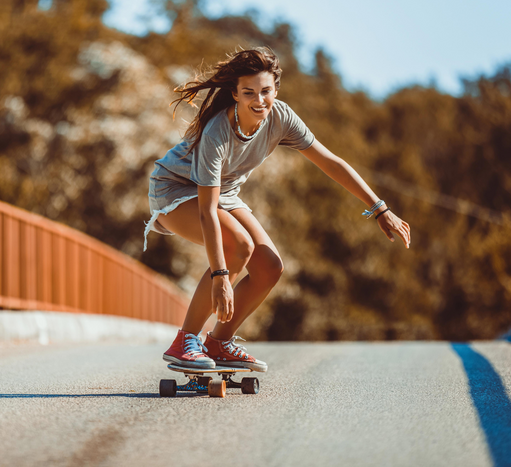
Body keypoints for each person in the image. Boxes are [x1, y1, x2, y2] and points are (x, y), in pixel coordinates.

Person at [143, 47, 411, 371]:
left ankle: (217, 343)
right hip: (174, 189)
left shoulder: (281, 117)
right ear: (235, 94)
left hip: (223, 193)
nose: (259, 101)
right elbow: (206, 211)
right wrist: (220, 276)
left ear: (276, 90)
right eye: (249, 93)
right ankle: (185, 340)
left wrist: (380, 208)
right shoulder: (217, 131)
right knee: (238, 246)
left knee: (269, 266)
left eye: (266, 91)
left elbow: (330, 162)